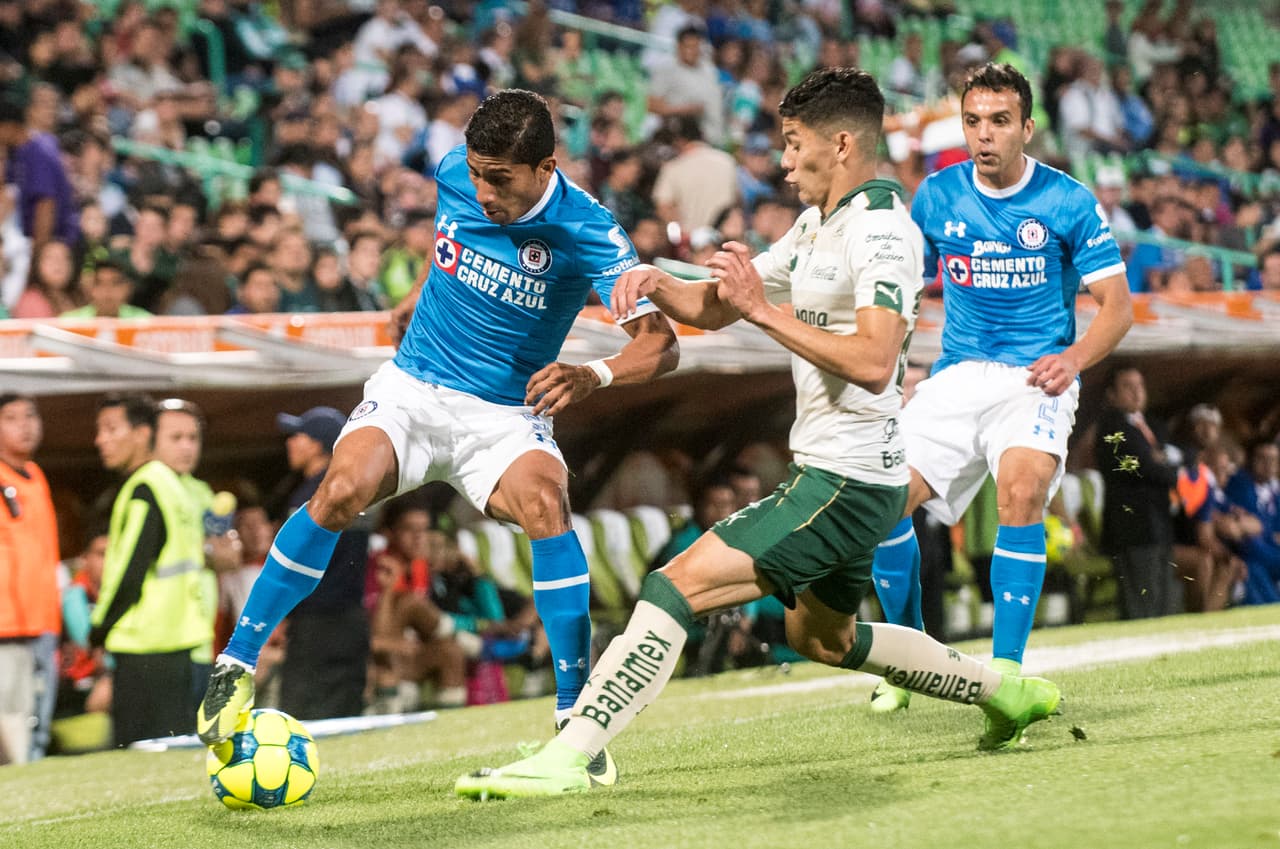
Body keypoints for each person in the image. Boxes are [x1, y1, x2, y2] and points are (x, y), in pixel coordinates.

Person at [455, 68, 1062, 800]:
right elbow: (716, 307)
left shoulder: (883, 233)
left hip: (846, 479)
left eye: (792, 145)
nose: (782, 162)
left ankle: (573, 752)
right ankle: (1004, 691)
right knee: (825, 639)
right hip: (850, 477)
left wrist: (765, 314)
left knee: (673, 585)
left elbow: (874, 362)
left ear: (840, 145)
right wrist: (654, 280)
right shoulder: (817, 226)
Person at [198, 90, 679, 789]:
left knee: (548, 503)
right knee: (340, 488)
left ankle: (576, 720)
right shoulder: (455, 171)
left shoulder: (589, 230)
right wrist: (418, 293)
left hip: (504, 416)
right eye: (478, 173)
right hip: (415, 388)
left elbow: (661, 345)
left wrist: (592, 374)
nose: (484, 190)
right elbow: (450, 241)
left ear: (545, 166)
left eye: (502, 179)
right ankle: (234, 668)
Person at [868, 63, 1133, 714]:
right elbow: (904, 293)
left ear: (1028, 128)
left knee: (1022, 491)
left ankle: (1006, 673)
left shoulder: (1067, 201)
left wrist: (1072, 359)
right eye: (973, 121)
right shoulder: (935, 196)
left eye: (999, 121)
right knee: (879, 504)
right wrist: (896, 370)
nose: (984, 134)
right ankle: (906, 658)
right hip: (957, 375)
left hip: (1035, 378)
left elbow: (1117, 307)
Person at [89, 394, 208, 746]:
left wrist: (99, 630)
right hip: (180, 639)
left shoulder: (145, 488)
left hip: (145, 646)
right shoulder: (173, 486)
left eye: (111, 429)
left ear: (142, 434)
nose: (101, 440)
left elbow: (128, 572)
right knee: (172, 754)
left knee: (141, 756)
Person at [0, 394, 60, 764]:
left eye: (31, 415)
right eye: (11, 417)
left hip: (40, 622)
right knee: (9, 724)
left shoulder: (36, 475)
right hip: (5, 626)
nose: (25, 424)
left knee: (31, 723)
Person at [1094, 366, 1181, 619]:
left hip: (1161, 524)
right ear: (1111, 394)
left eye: (1139, 386)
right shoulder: (1111, 428)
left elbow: (1184, 456)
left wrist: (1160, 460)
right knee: (1142, 601)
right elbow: (1142, 467)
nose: (1136, 393)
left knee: (1165, 598)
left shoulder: (1153, 425)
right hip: (1134, 528)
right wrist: (1162, 464)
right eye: (1127, 387)